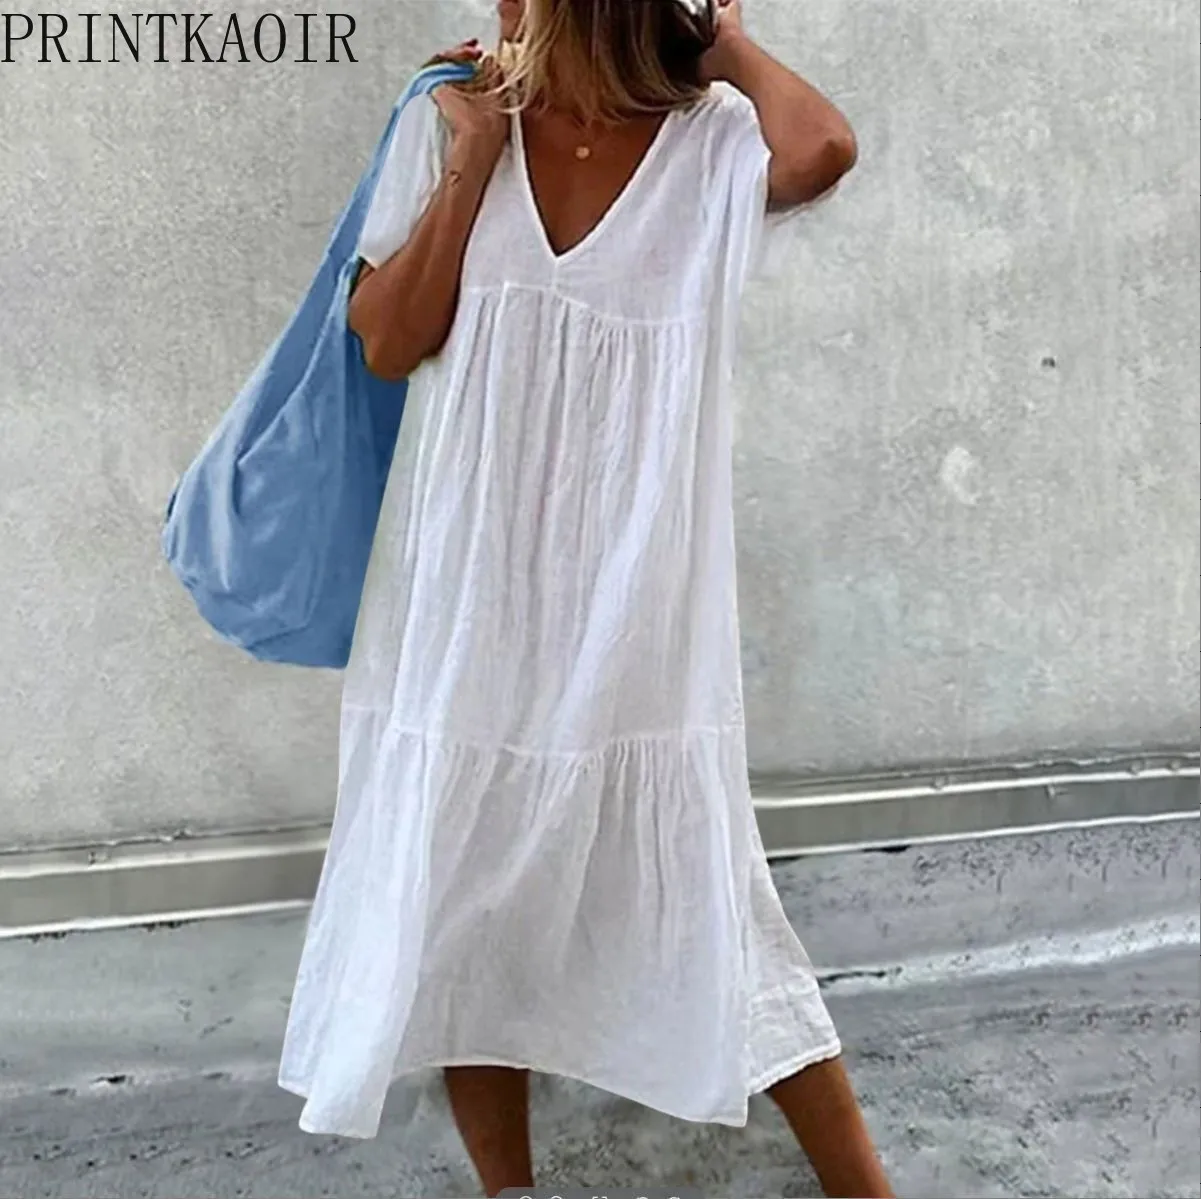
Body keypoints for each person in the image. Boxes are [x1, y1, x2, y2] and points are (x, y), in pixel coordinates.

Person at [278, 1, 895, 1195]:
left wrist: (720, 43)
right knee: (460, 906)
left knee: (718, 916)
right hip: (470, 599)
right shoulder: (451, 117)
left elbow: (823, 147)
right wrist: (470, 163)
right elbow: (389, 341)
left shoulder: (709, 144)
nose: (498, 9)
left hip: (635, 613)